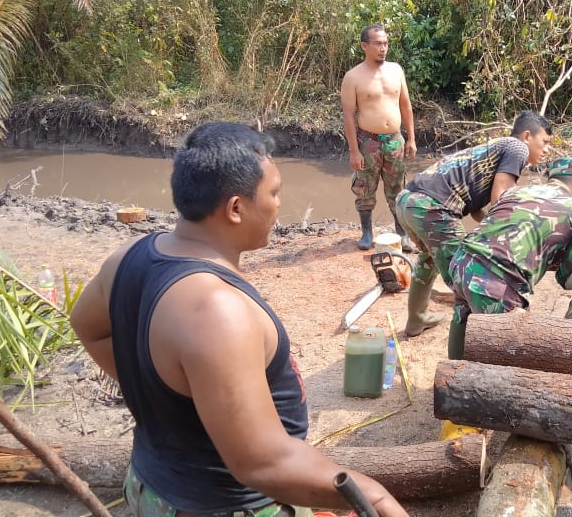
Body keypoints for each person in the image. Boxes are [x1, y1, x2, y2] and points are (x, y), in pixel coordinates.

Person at [70, 122, 407, 517]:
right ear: (235, 208)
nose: (279, 204)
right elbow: (262, 464)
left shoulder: (127, 256)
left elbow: (87, 327)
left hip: (150, 485)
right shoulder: (217, 310)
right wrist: (375, 495)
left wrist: (171, 401)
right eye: (274, 193)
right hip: (223, 505)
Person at [394, 110, 553, 337]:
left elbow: (478, 208)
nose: (547, 149)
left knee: (428, 260)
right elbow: (502, 198)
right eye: (545, 141)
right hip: (432, 208)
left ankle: (416, 319)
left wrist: (488, 227)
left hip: (408, 201)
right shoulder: (517, 148)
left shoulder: (492, 149)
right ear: (527, 136)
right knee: (464, 271)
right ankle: (474, 339)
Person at [445, 157, 572, 359]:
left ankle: (452, 376)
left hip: (461, 261)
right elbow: (571, 281)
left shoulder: (516, 191)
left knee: (463, 318)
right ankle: (481, 385)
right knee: (508, 347)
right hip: (495, 281)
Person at [341, 24, 418, 252]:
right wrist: (354, 150)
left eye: (385, 43)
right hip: (368, 142)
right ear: (365, 46)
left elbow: (406, 105)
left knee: (397, 189)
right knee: (365, 188)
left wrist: (411, 138)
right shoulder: (353, 77)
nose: (383, 48)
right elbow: (348, 116)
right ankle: (367, 232)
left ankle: (402, 234)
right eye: (377, 43)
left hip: (395, 140)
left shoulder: (396, 70)